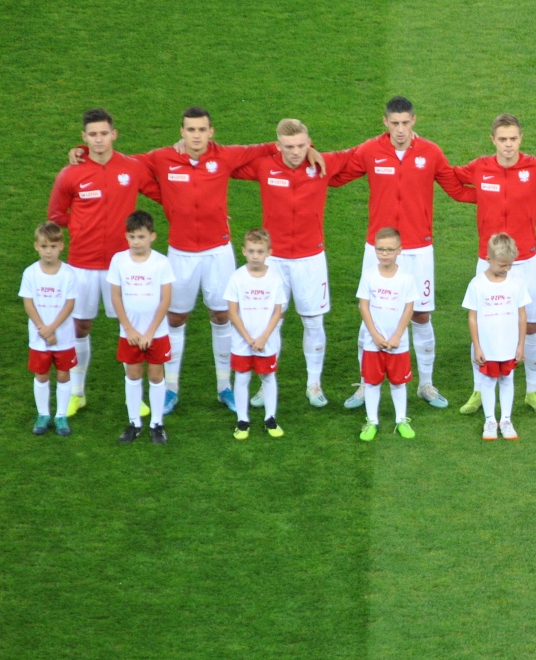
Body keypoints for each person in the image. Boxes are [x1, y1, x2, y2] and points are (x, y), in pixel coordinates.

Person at [72, 107, 318, 415]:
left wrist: (311, 152)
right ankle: (172, 388)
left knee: (221, 316)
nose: (196, 135)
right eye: (190, 130)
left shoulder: (226, 155)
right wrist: (84, 151)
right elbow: (117, 159)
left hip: (219, 252)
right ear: (182, 132)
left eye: (202, 130)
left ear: (211, 132)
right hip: (181, 252)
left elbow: (272, 146)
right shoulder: (162, 157)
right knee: (175, 318)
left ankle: (224, 387)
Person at [333, 96, 476, 410]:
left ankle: (425, 383)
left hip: (418, 248)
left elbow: (456, 188)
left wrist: (501, 192)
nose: (400, 130)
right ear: (385, 122)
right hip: (378, 248)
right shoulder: (369, 151)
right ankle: (365, 383)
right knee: (369, 313)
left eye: (405, 123)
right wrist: (307, 160)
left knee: (421, 315)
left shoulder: (431, 152)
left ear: (415, 121)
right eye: (394, 123)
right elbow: (337, 173)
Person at [454, 114, 536, 416]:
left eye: (514, 139)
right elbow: (450, 178)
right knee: (481, 324)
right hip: (487, 259)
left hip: (525, 261)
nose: (508, 144)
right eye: (503, 139)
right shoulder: (479, 167)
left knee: (532, 325)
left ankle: (532, 391)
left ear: (521, 138)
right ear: (493, 140)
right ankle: (479, 391)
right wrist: (477, 197)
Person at [232, 118, 355, 407]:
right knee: (269, 321)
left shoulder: (321, 164)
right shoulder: (264, 165)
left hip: (310, 258)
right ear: (278, 145)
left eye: (302, 145)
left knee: (313, 320)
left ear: (308, 142)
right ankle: (265, 383)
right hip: (272, 260)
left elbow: (358, 153)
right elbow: (227, 163)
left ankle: (313, 384)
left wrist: (315, 151)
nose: (296, 152)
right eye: (289, 146)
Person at [49, 108, 160, 418]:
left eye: (103, 133)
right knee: (80, 325)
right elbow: (57, 216)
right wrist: (83, 229)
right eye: (92, 135)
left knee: (131, 329)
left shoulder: (131, 168)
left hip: (124, 265)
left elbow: (164, 195)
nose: (98, 139)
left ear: (114, 134)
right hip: (82, 264)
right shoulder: (70, 173)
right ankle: (77, 393)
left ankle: (134, 397)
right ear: (84, 138)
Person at [107, 211, 174, 444]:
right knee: (132, 374)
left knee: (156, 375)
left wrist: (149, 332)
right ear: (126, 236)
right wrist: (129, 330)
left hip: (156, 333)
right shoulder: (118, 260)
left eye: (142, 237)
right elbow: (116, 297)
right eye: (133, 237)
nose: (137, 242)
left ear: (152, 236)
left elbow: (166, 300)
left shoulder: (161, 262)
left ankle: (156, 424)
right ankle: (134, 422)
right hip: (130, 333)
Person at [463, 233, 530, 441]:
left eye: (509, 265)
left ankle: (506, 420)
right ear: (488, 258)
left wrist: (521, 345)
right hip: (488, 345)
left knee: (507, 379)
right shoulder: (477, 284)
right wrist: (477, 346)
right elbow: (472, 318)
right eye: (502, 265)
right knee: (488, 380)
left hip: (509, 345)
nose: (506, 269)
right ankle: (490, 420)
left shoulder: (516, 283)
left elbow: (522, 315)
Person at [355, 227, 418, 442]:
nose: (384, 254)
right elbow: (363, 305)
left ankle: (401, 420)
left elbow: (409, 308)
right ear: (375, 250)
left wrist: (397, 336)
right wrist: (375, 335)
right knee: (372, 382)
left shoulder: (406, 278)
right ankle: (372, 421)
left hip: (397, 342)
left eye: (389, 250)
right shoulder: (369, 275)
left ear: (399, 250)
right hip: (374, 342)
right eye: (380, 249)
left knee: (398, 382)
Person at [224, 229, 285, 440]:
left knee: (268, 376)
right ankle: (242, 420)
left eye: (260, 251)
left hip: (266, 341)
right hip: (242, 341)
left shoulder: (275, 279)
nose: (255, 255)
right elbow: (232, 311)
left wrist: (263, 338)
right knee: (241, 377)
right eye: (251, 251)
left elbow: (278, 311)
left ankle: (270, 418)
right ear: (243, 251)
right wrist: (249, 339)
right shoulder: (237, 277)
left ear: (269, 252)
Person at [20, 221, 78, 436]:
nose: (48, 251)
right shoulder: (30, 273)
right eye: (44, 246)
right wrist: (43, 329)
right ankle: (43, 414)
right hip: (39, 338)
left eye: (53, 246)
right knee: (41, 374)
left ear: (61, 246)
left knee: (63, 375)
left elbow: (69, 304)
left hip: (63, 336)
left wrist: (51, 328)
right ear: (36, 246)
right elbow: (28, 303)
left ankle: (61, 416)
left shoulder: (68, 274)